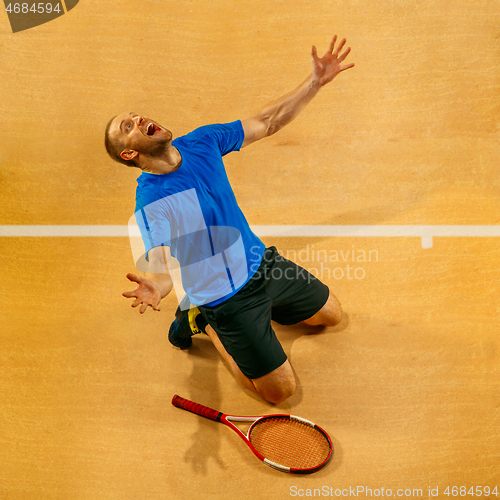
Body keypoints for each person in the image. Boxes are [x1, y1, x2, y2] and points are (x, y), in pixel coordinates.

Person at [104, 35, 354, 404]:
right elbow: (158, 260)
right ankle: (203, 321)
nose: (138, 119)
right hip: (226, 300)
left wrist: (314, 82)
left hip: (262, 266)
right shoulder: (153, 199)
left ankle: (251, 319)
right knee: (279, 392)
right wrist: (156, 287)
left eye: (135, 115)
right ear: (129, 153)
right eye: (128, 126)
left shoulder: (202, 142)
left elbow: (267, 122)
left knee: (331, 315)